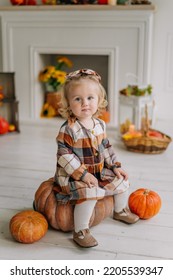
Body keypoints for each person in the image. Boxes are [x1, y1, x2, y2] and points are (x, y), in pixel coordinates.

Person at [54, 69, 139, 248]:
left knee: (122, 181)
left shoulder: (100, 124)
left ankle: (120, 210)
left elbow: (105, 146)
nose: (85, 103)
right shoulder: (69, 128)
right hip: (74, 176)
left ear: (99, 100)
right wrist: (84, 175)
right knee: (90, 194)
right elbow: (64, 155)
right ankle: (81, 230)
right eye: (78, 99)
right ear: (69, 104)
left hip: (98, 171)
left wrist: (115, 166)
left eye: (90, 98)